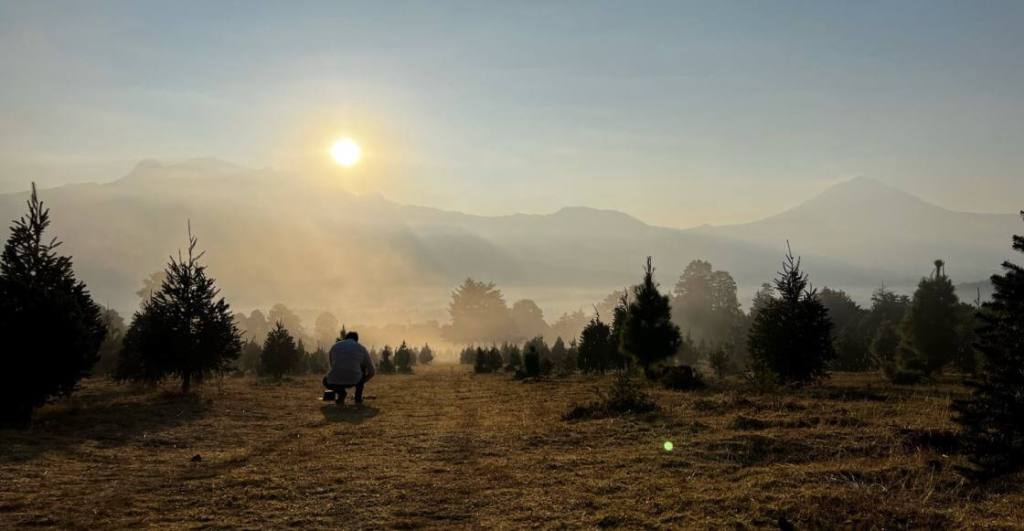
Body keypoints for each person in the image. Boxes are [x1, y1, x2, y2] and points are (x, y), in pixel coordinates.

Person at [323, 331, 375, 405]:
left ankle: (341, 393)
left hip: (334, 381)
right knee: (362, 370)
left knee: (325, 380)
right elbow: (372, 371)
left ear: (345, 338)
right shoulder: (361, 348)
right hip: (354, 380)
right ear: (356, 340)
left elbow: (332, 366)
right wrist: (362, 381)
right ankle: (358, 398)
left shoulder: (334, 347)